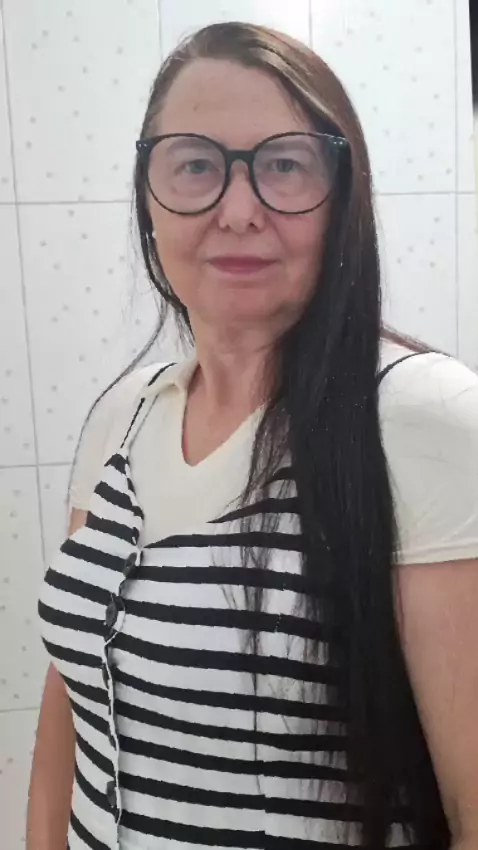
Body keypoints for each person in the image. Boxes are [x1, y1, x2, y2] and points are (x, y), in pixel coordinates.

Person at [28, 21, 478, 850]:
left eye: (284, 165)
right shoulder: (122, 415)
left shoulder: (421, 418)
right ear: (148, 196)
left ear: (342, 198)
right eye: (196, 165)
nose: (239, 211)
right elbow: (74, 700)